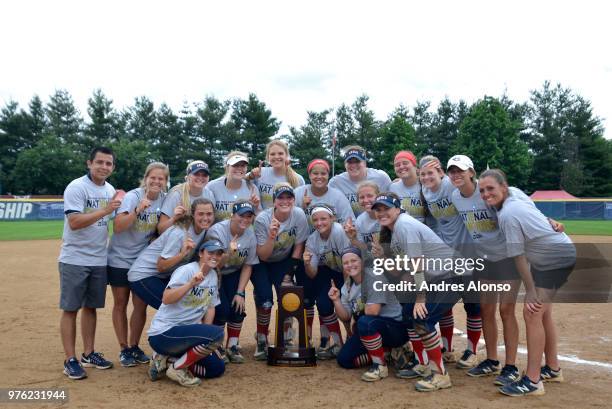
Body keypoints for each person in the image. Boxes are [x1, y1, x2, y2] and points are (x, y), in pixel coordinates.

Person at [479, 169, 576, 397]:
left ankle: (533, 381)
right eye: (482, 190)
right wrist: (549, 221)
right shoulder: (515, 194)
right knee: (543, 313)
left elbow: (519, 257)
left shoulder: (508, 215)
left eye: (490, 188)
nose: (485, 194)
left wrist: (531, 290)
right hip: (554, 253)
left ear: (504, 187)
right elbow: (535, 214)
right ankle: (552, 368)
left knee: (532, 312)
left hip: (554, 258)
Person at [372, 192, 461, 392]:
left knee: (422, 318)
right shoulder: (394, 230)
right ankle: (423, 363)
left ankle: (440, 374)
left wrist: (420, 297)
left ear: (397, 208)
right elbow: (401, 270)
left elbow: (417, 263)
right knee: (408, 313)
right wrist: (381, 257)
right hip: (438, 277)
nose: (381, 213)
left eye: (386, 208)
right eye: (378, 210)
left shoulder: (404, 225)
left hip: (452, 275)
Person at [447, 155, 522, 384]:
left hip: (508, 258)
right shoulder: (454, 197)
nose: (456, 175)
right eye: (452, 171)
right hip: (484, 259)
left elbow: (520, 203)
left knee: (506, 310)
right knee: (486, 310)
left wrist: (548, 220)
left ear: (472, 172)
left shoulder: (488, 191)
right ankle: (491, 360)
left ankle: (510, 366)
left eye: (461, 170)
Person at [59, 146, 120, 380]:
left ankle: (88, 353)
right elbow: (74, 221)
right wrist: (105, 210)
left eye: (108, 163)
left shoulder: (110, 189)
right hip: (75, 258)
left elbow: (116, 221)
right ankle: (70, 359)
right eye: (100, 162)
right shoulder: (77, 187)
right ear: (89, 163)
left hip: (98, 258)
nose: (104, 167)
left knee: (91, 307)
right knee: (70, 308)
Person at [419, 155, 482, 370]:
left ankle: (472, 351)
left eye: (432, 172)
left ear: (441, 172)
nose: (427, 177)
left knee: (473, 304)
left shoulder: (450, 185)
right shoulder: (426, 191)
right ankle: (447, 349)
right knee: (444, 305)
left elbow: (471, 184)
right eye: (423, 173)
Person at [107, 162, 169, 367]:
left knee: (140, 304)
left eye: (161, 178)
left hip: (142, 260)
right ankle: (124, 348)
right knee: (120, 302)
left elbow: (159, 229)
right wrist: (136, 210)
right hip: (120, 258)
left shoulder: (163, 199)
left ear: (165, 181)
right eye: (153, 177)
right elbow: (117, 227)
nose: (157, 181)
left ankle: (134, 345)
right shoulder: (133, 196)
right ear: (146, 178)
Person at [147, 240, 226, 387]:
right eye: (211, 252)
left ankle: (166, 360)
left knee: (217, 368)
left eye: (219, 253)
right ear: (201, 253)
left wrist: (205, 336)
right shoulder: (187, 270)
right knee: (218, 334)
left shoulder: (213, 276)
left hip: (186, 336)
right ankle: (177, 369)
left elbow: (210, 307)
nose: (215, 256)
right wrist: (190, 284)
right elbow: (166, 298)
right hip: (164, 333)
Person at [252, 183, 310, 360]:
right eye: (281, 198)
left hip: (283, 260)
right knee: (265, 299)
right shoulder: (263, 219)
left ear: (293, 199)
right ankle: (262, 339)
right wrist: (271, 236)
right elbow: (262, 255)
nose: (285, 201)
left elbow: (299, 246)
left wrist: (289, 273)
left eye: (289, 197)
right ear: (274, 201)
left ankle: (285, 338)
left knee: (287, 296)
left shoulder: (298, 214)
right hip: (261, 261)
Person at [332, 247, 408, 382]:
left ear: (362, 262)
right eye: (346, 263)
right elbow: (345, 317)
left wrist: (356, 321)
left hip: (395, 328)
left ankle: (379, 365)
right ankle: (387, 352)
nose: (350, 265)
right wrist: (336, 301)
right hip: (372, 328)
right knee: (344, 359)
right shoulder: (347, 286)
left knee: (364, 322)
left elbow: (373, 312)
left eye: (354, 260)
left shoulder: (374, 277)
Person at [128, 199, 214, 311]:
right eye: (201, 214)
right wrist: (182, 254)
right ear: (193, 215)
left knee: (188, 302)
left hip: (162, 275)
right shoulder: (180, 233)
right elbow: (161, 266)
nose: (205, 218)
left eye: (209, 214)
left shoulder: (203, 230)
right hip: (144, 275)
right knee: (175, 309)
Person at [206, 199, 259, 363]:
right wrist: (228, 252)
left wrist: (240, 292)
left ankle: (233, 345)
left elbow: (248, 265)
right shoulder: (217, 231)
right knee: (221, 310)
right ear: (232, 215)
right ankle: (218, 345)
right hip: (214, 273)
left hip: (235, 272)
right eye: (241, 215)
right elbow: (214, 264)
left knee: (238, 306)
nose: (245, 219)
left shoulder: (250, 233)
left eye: (249, 216)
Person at [303, 204, 351, 359]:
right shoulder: (312, 240)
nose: (319, 223)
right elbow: (312, 273)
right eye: (315, 220)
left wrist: (347, 289)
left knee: (349, 305)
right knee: (323, 304)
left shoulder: (339, 232)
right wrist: (307, 263)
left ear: (332, 218)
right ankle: (338, 343)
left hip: (349, 271)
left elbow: (348, 264)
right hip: (331, 272)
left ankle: (353, 337)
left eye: (323, 219)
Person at [329, 145, 391, 217]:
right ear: (345, 164)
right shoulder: (335, 183)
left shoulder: (381, 177)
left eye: (357, 161)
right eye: (350, 162)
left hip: (378, 222)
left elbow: (392, 201)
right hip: (349, 224)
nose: (353, 165)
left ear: (364, 163)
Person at [294, 158, 354, 228]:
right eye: (315, 173)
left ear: (328, 175)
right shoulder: (298, 193)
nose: (319, 177)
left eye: (323, 173)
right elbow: (289, 221)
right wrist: (302, 208)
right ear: (309, 175)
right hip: (307, 237)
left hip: (331, 236)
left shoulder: (338, 196)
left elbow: (349, 221)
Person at [158, 160, 214, 234]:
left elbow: (210, 223)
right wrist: (174, 218)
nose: (201, 177)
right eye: (196, 174)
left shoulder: (209, 194)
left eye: (204, 175)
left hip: (197, 241)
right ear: (188, 177)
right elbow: (160, 230)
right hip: (176, 241)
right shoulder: (176, 194)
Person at [248, 140, 305, 209]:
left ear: (286, 155)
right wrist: (250, 176)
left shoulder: (298, 179)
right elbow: (240, 181)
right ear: (268, 157)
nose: (276, 157)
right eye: (272, 154)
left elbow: (300, 206)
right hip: (262, 218)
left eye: (280, 153)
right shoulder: (260, 173)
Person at [207, 151, 262, 221]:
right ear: (227, 167)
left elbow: (258, 218)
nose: (239, 168)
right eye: (235, 165)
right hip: (217, 231)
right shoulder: (212, 187)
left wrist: (256, 207)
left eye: (243, 166)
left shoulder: (252, 188)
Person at [389, 151, 427, 222]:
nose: (401, 166)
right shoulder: (393, 188)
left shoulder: (426, 183)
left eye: (405, 163)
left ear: (415, 166)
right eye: (397, 165)